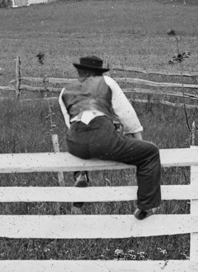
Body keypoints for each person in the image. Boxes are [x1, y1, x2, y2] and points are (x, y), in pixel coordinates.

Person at [59, 55, 162, 219]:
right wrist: (137, 140)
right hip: (102, 135)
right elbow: (126, 115)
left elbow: (69, 123)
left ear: (79, 71)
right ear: (99, 72)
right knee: (150, 153)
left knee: (82, 146)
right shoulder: (107, 82)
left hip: (75, 139)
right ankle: (147, 206)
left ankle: (81, 173)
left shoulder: (65, 90)